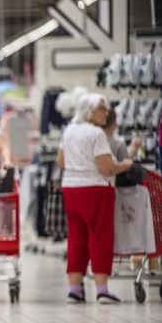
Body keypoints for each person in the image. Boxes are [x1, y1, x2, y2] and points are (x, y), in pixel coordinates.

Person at [57, 93, 133, 304]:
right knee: (100, 237)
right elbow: (107, 167)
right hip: (96, 189)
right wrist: (126, 164)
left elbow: (61, 162)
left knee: (76, 238)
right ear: (89, 111)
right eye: (102, 108)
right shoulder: (97, 134)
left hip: (71, 189)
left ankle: (75, 289)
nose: (106, 113)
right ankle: (101, 289)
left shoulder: (69, 131)